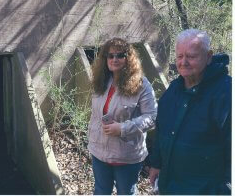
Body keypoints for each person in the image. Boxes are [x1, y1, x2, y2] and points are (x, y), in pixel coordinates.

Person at [149, 29, 231, 195]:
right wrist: (156, 163)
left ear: (208, 57)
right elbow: (161, 129)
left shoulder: (226, 92)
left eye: (191, 56)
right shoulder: (173, 90)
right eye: (180, 56)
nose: (183, 62)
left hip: (207, 189)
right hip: (170, 185)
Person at [88, 37, 157, 195]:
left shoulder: (142, 85)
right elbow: (95, 116)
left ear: (129, 58)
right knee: (100, 191)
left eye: (120, 55)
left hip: (126, 155)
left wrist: (123, 128)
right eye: (110, 55)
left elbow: (152, 117)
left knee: (126, 192)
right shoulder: (101, 81)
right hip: (99, 152)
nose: (114, 59)